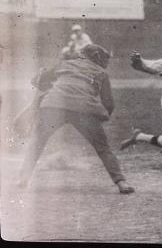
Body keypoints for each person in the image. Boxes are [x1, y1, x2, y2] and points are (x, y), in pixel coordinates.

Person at [17, 44, 135, 194]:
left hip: (54, 104)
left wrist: (51, 87)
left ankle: (23, 178)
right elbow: (109, 103)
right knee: (103, 148)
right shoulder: (101, 72)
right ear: (97, 57)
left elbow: (36, 80)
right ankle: (121, 182)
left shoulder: (65, 64)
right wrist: (102, 118)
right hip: (84, 109)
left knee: (38, 141)